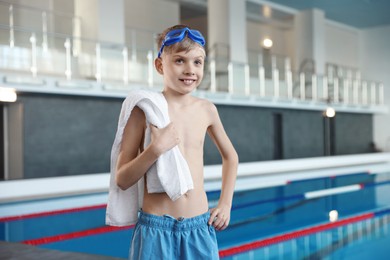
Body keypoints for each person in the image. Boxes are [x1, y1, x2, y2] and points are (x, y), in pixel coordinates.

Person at [114, 25, 238, 259]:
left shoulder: (207, 110)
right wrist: (155, 149)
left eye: (197, 62)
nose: (190, 69)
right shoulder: (144, 110)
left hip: (199, 228)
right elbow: (121, 179)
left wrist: (226, 204)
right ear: (160, 65)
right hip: (155, 230)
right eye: (180, 60)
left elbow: (231, 156)